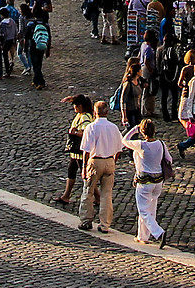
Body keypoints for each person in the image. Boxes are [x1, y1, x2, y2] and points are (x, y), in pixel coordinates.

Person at [78, 105, 124, 233]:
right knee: (107, 194)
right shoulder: (114, 128)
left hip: (95, 161)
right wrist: (113, 161)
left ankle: (86, 220)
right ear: (107, 112)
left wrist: (84, 167)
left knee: (88, 191)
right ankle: (105, 224)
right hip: (109, 161)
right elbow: (119, 148)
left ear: (94, 112)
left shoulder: (91, 127)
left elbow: (86, 150)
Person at [130, 118, 170, 245]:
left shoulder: (141, 145)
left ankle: (158, 232)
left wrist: (134, 129)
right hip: (158, 181)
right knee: (151, 209)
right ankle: (142, 236)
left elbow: (123, 140)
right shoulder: (161, 144)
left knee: (143, 210)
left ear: (143, 132)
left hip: (144, 182)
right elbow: (169, 159)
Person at [53, 95, 95, 208]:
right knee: (72, 171)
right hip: (76, 152)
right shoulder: (81, 115)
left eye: (75, 105)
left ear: (80, 106)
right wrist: (71, 98)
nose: (74, 108)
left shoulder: (85, 117)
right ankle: (66, 195)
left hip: (80, 152)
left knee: (85, 175)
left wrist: (74, 132)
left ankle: (98, 197)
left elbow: (85, 133)